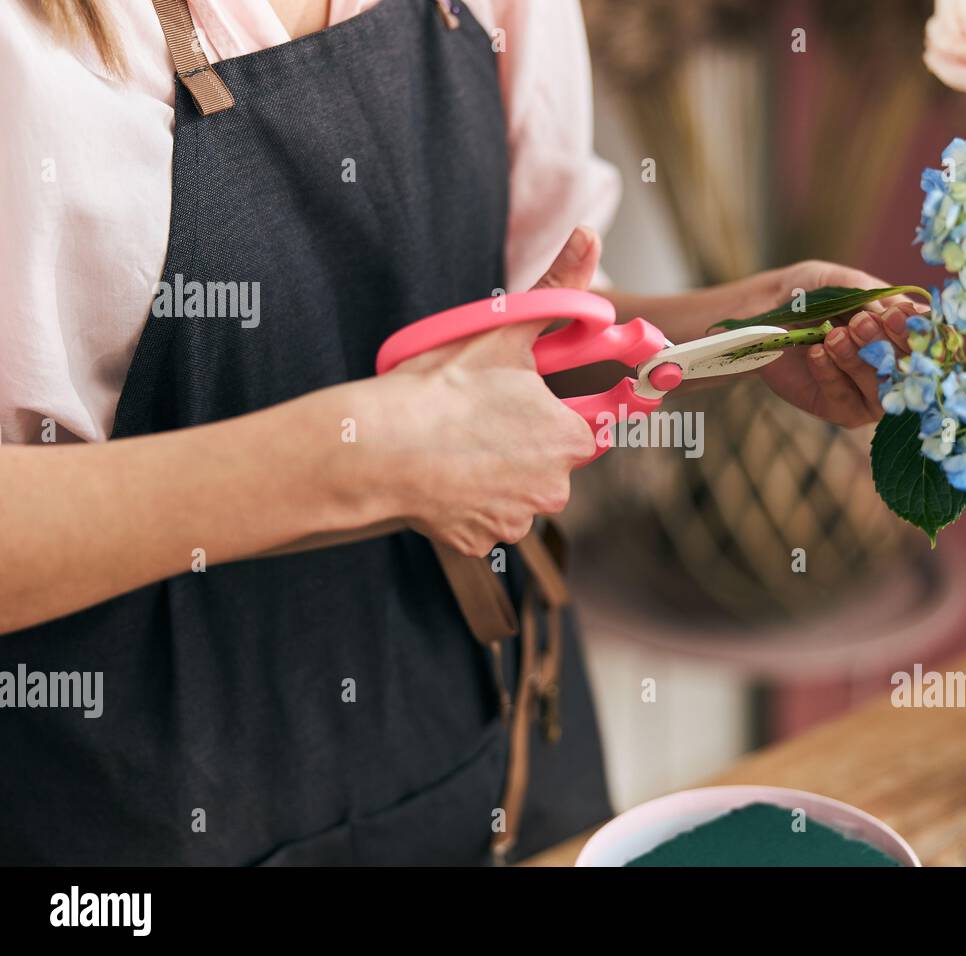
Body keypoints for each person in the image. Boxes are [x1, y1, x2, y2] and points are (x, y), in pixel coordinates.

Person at [0, 0, 904, 864]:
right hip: (145, 816)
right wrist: (376, 457)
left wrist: (725, 331)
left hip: (494, 754)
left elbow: (515, 327)